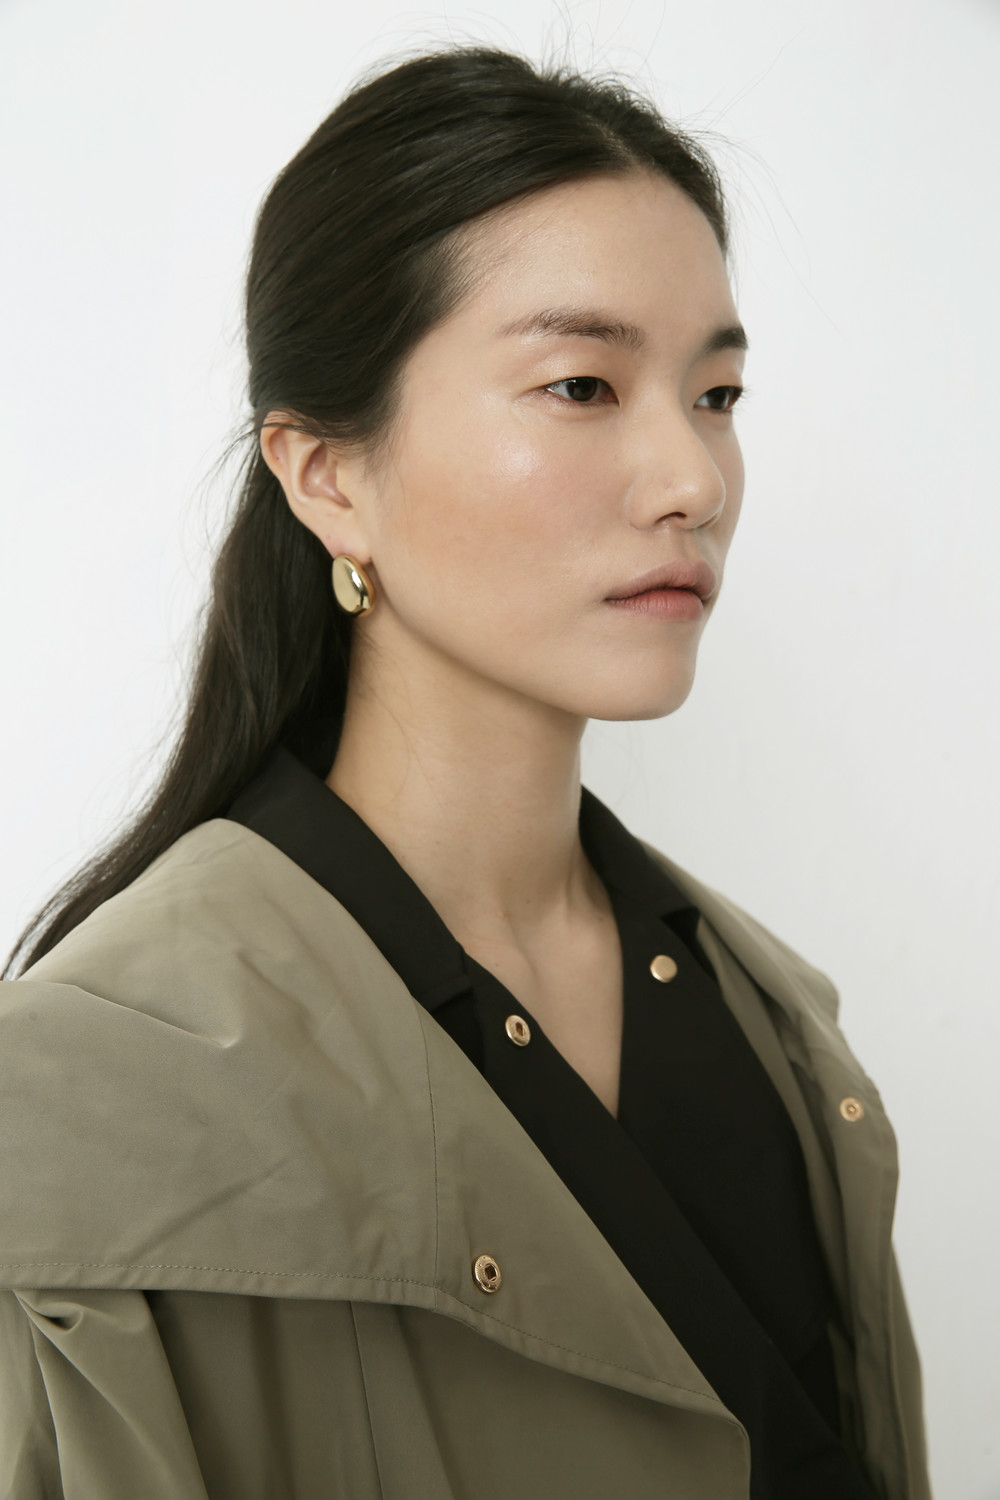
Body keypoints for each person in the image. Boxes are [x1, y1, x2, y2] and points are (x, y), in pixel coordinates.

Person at [0, 44, 930, 1500]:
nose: (694, 480)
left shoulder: (774, 1024)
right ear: (326, 475)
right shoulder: (101, 1086)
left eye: (718, 394)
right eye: (581, 384)